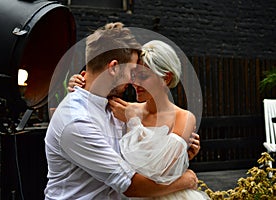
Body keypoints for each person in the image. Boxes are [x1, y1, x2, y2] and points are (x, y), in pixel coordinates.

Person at [44, 22, 199, 200]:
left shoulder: (114, 108)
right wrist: (186, 179)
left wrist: (180, 154)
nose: (133, 81)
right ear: (114, 68)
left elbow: (135, 157)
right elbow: (129, 185)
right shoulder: (77, 121)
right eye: (132, 71)